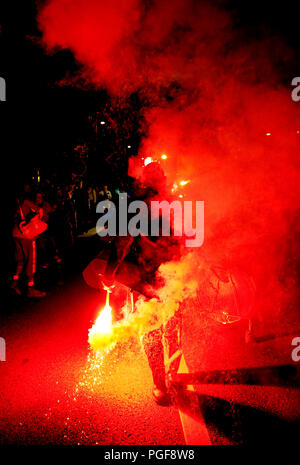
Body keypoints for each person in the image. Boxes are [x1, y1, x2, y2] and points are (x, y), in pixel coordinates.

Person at [11, 188, 46, 298]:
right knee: (31, 262)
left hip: (16, 234)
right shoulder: (28, 203)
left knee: (20, 261)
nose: (39, 199)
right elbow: (38, 216)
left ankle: (14, 284)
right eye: (38, 197)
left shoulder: (18, 202)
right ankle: (31, 289)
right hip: (27, 236)